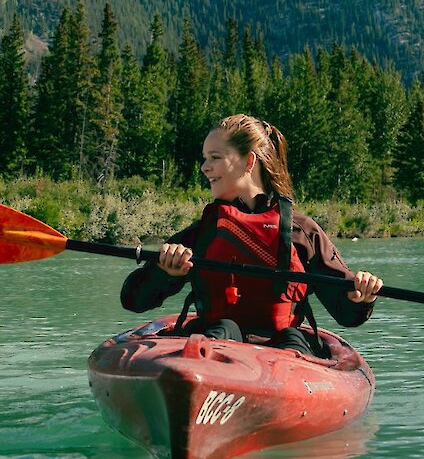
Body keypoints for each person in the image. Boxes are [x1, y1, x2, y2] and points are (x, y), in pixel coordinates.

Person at [121, 114, 382, 354]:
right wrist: (163, 273)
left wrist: (361, 297)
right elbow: (133, 300)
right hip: (215, 345)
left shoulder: (301, 233)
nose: (204, 167)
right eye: (204, 158)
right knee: (224, 329)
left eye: (215, 157)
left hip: (285, 351)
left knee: (293, 338)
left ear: (249, 162)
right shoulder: (202, 233)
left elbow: (347, 315)